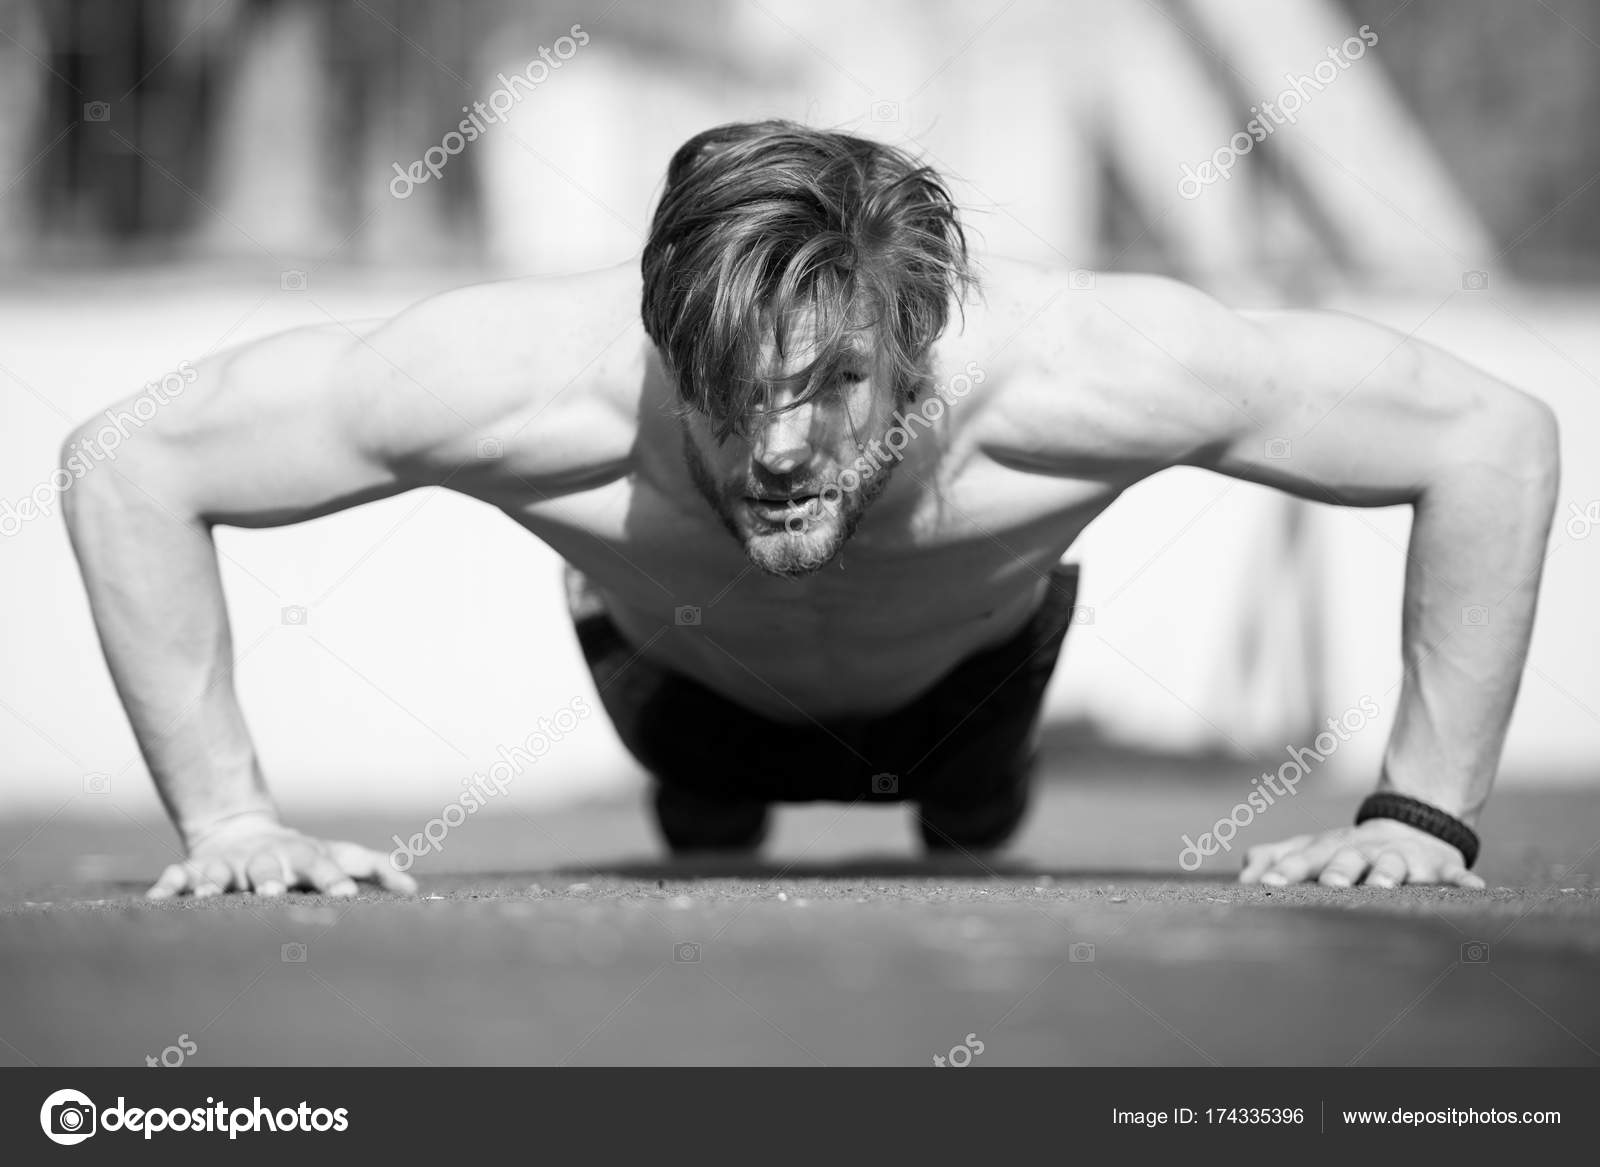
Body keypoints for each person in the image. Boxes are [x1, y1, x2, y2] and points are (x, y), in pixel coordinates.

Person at [61, 121, 1557, 898]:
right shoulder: (512, 379)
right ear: (662, 341)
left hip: (974, 685)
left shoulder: (1094, 368)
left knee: (976, 819)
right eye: (729, 386)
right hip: (679, 683)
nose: (779, 445)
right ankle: (711, 789)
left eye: (838, 383)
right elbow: (129, 460)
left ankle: (960, 797)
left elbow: (1490, 438)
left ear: (920, 336)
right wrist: (233, 821)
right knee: (704, 820)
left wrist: (1422, 819)